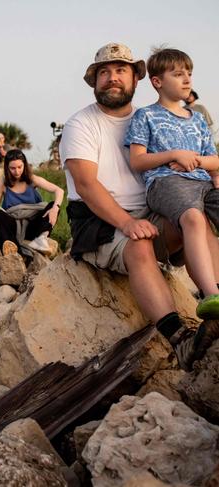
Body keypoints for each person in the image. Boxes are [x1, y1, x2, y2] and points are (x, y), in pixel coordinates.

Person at [60, 42, 219, 371]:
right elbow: (87, 185)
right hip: (99, 220)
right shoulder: (81, 124)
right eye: (104, 72)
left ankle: (214, 299)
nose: (112, 78)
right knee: (140, 246)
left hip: (151, 209)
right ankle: (179, 338)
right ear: (95, 82)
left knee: (196, 220)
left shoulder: (150, 119)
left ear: (136, 78)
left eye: (121, 70)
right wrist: (126, 223)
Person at [125, 47, 219, 317]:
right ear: (157, 82)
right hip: (166, 182)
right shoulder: (146, 116)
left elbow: (214, 160)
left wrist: (197, 161)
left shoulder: (198, 119)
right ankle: (210, 294)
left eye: (189, 73)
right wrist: (174, 155)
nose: (187, 79)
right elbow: (137, 161)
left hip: (202, 180)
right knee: (193, 218)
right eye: (178, 74)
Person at [0, 149, 64, 255]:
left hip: (33, 226)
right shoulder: (2, 183)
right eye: (13, 168)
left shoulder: (32, 179)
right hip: (14, 226)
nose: (17, 171)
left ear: (24, 165)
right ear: (7, 167)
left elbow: (59, 190)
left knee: (53, 205)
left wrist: (55, 209)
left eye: (20, 167)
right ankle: (11, 247)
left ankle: (41, 239)